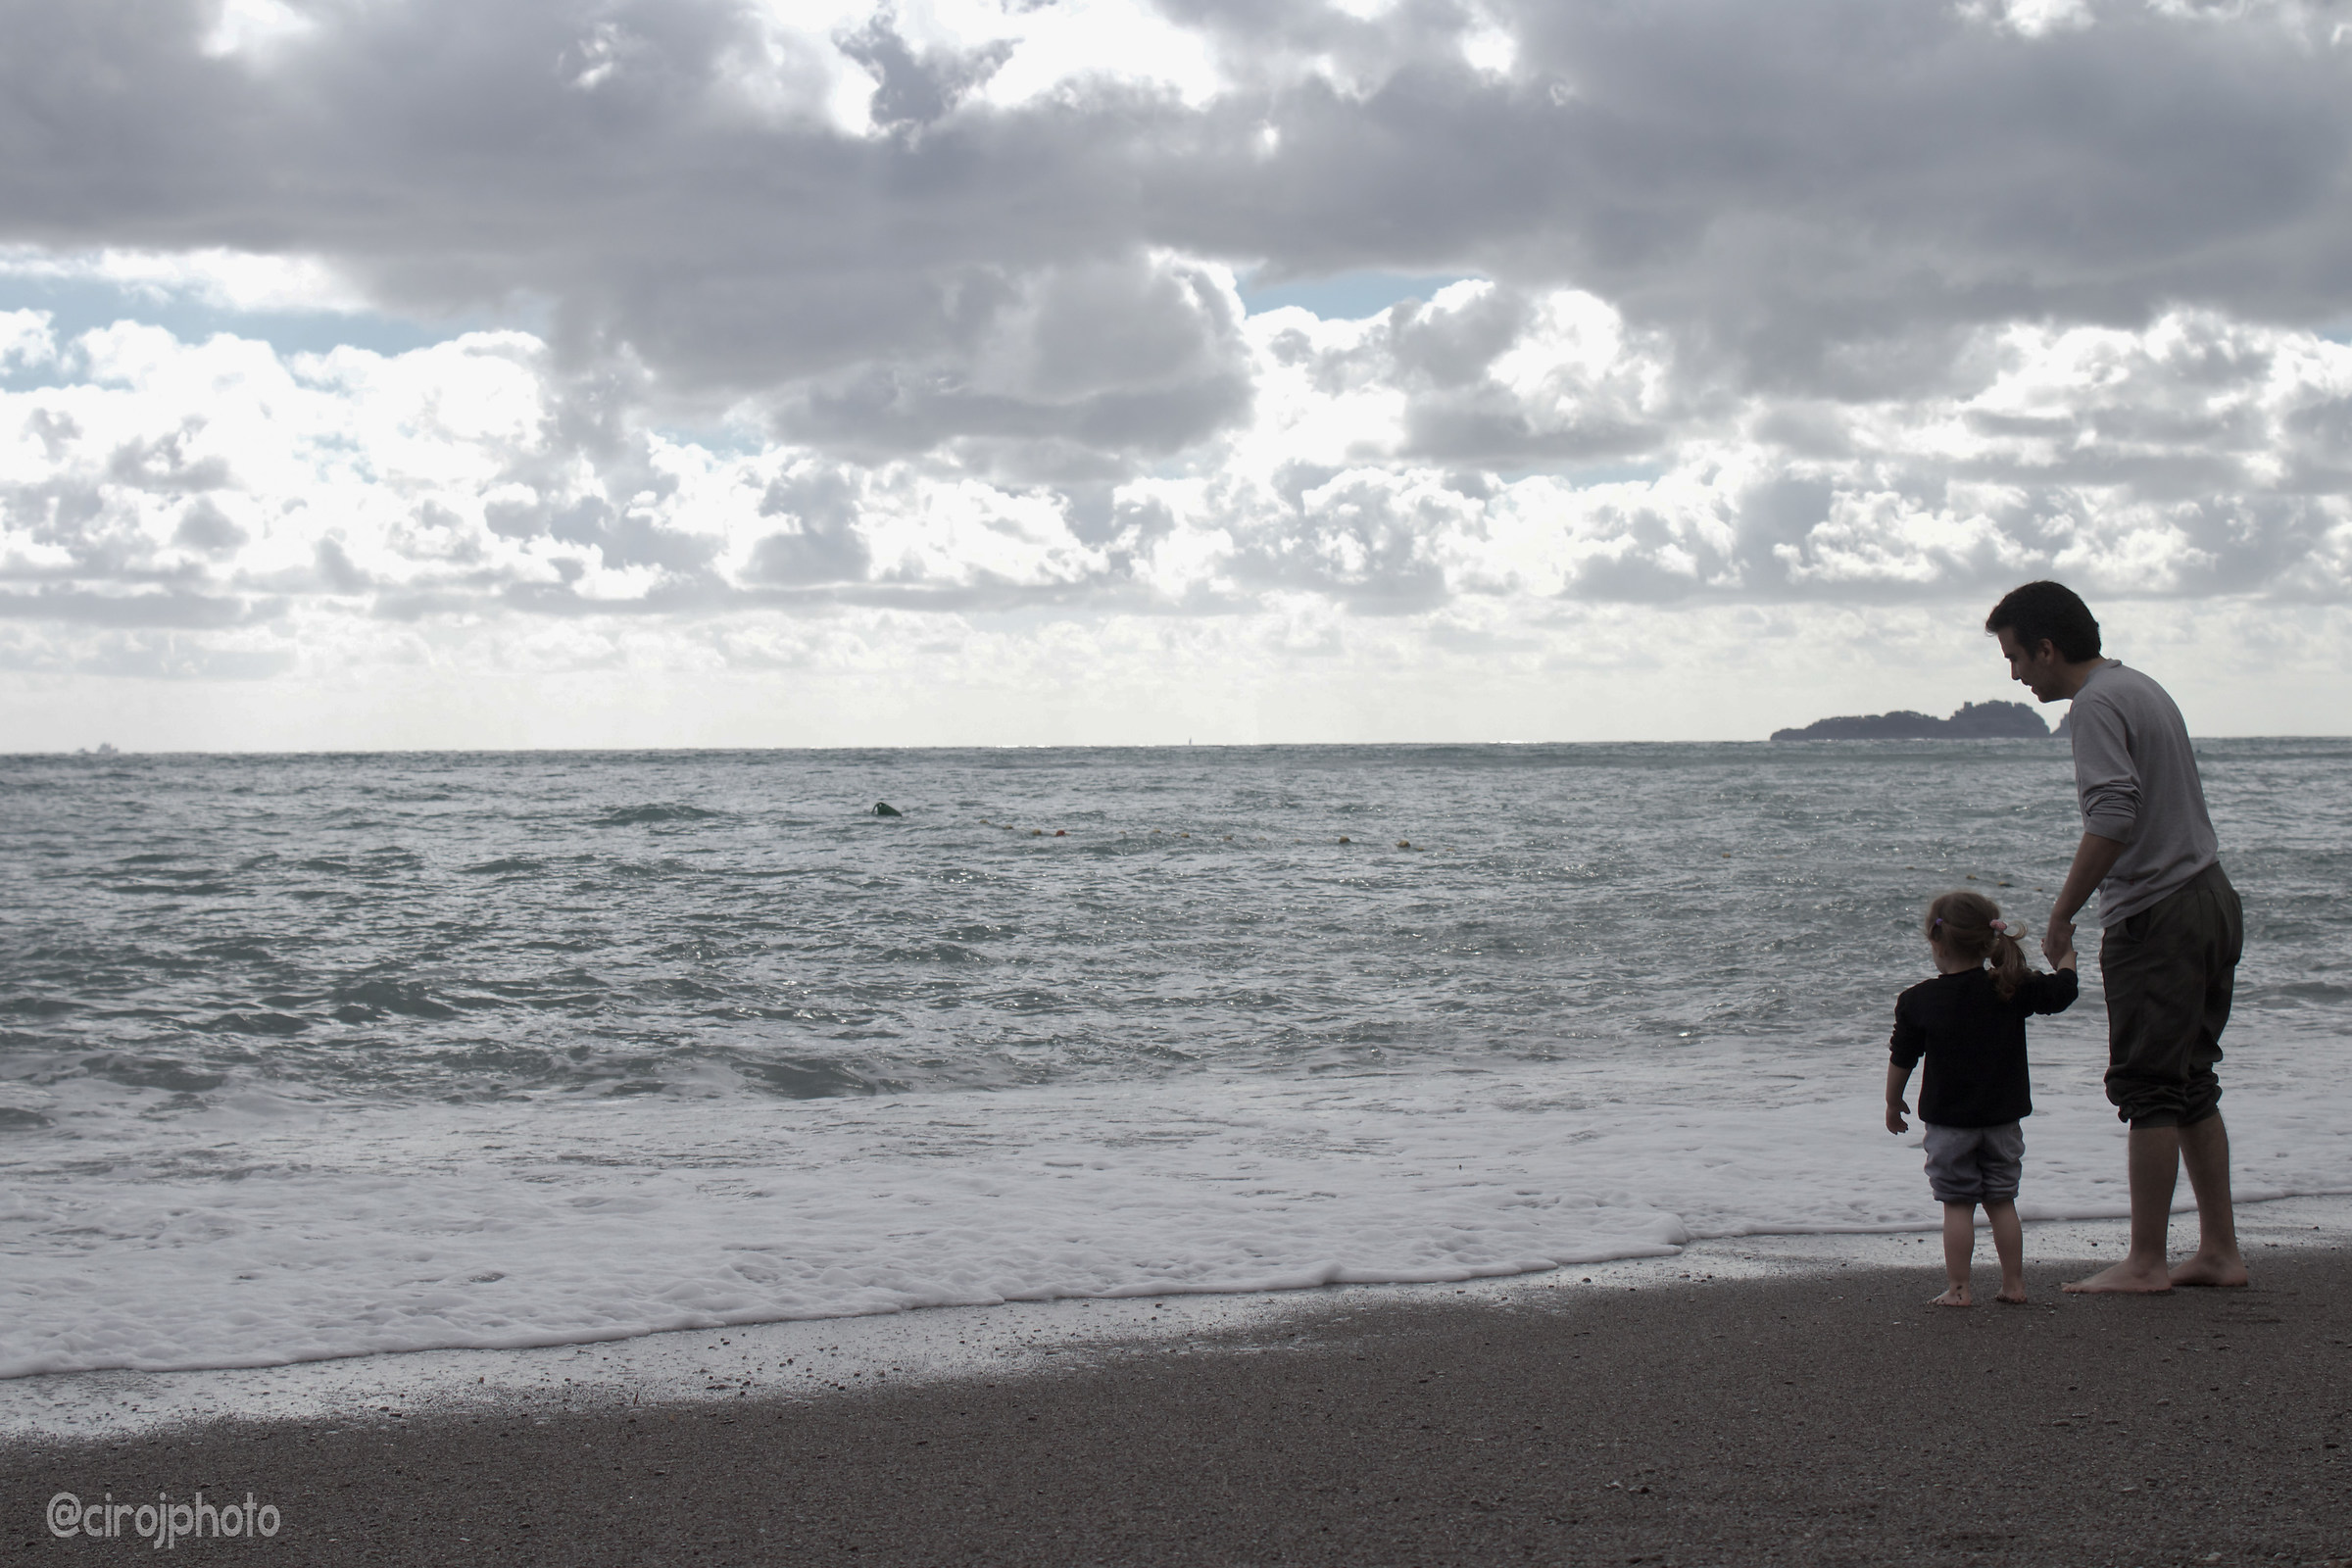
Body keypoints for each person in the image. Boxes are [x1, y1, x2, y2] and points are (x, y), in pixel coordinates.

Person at [1985, 580, 2248, 1294]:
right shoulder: (2140, 687)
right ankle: (2219, 1252)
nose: (2014, 674)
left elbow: (2113, 814)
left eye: (2016, 657)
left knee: (2149, 1085)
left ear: (2048, 648)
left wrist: (2063, 913)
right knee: (2192, 1078)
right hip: (2210, 895)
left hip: (2160, 911)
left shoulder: (2095, 705)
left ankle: (2146, 1261)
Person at [1886, 891, 2079, 1306]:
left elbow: (1903, 1055)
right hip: (2003, 1121)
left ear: (1936, 943)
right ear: (1989, 940)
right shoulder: (2009, 987)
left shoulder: (1918, 1000)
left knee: (1957, 1204)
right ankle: (2014, 1285)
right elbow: (2061, 993)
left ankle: (1959, 1288)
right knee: (2001, 1201)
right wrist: (2067, 959)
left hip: (1949, 1123)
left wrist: (1892, 1101)